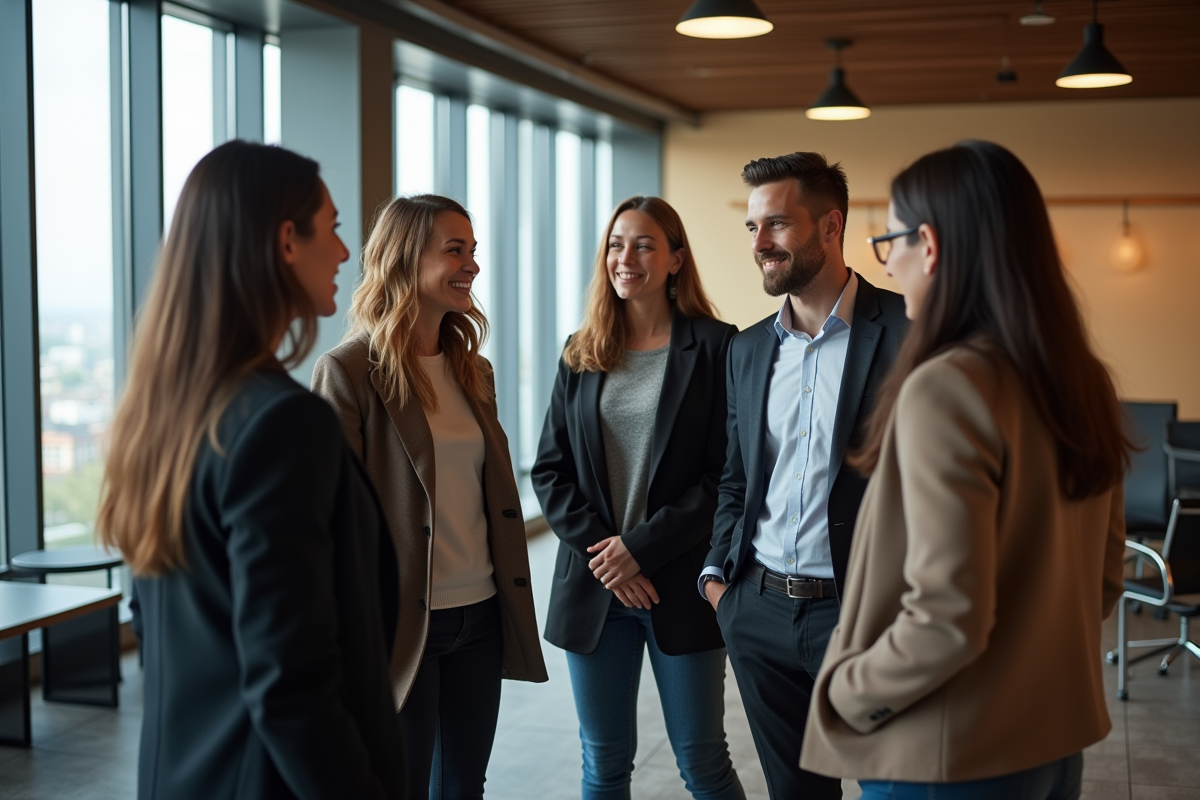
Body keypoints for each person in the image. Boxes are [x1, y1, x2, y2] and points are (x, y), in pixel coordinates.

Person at [800, 141, 1129, 800]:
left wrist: (846, 691)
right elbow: (1103, 578)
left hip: (946, 755)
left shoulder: (948, 386)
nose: (887, 261)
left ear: (930, 244)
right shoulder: (1080, 379)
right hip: (1050, 741)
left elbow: (947, 617)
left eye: (890, 240)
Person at [97, 141, 405, 800]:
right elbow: (292, 683)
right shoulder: (283, 423)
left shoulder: (162, 412)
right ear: (286, 241)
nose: (346, 254)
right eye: (334, 229)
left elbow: (158, 626)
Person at [311, 194, 547, 800]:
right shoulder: (348, 372)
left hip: (482, 615)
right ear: (405, 259)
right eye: (455, 250)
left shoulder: (475, 370)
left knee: (465, 786)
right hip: (402, 624)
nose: (471, 264)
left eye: (473, 251)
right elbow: (332, 519)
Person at [701, 152, 909, 800]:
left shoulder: (909, 329)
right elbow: (737, 478)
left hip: (865, 612)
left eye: (778, 225)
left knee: (891, 787)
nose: (760, 243)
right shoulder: (747, 348)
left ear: (830, 226)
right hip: (757, 611)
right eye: (753, 227)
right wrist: (720, 584)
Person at [532, 196, 744, 800]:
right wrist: (610, 557)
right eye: (616, 244)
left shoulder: (716, 347)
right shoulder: (581, 348)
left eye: (645, 244)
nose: (626, 257)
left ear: (676, 258)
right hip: (596, 586)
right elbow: (550, 471)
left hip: (679, 584)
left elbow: (725, 475)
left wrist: (640, 550)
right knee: (602, 764)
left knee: (702, 760)